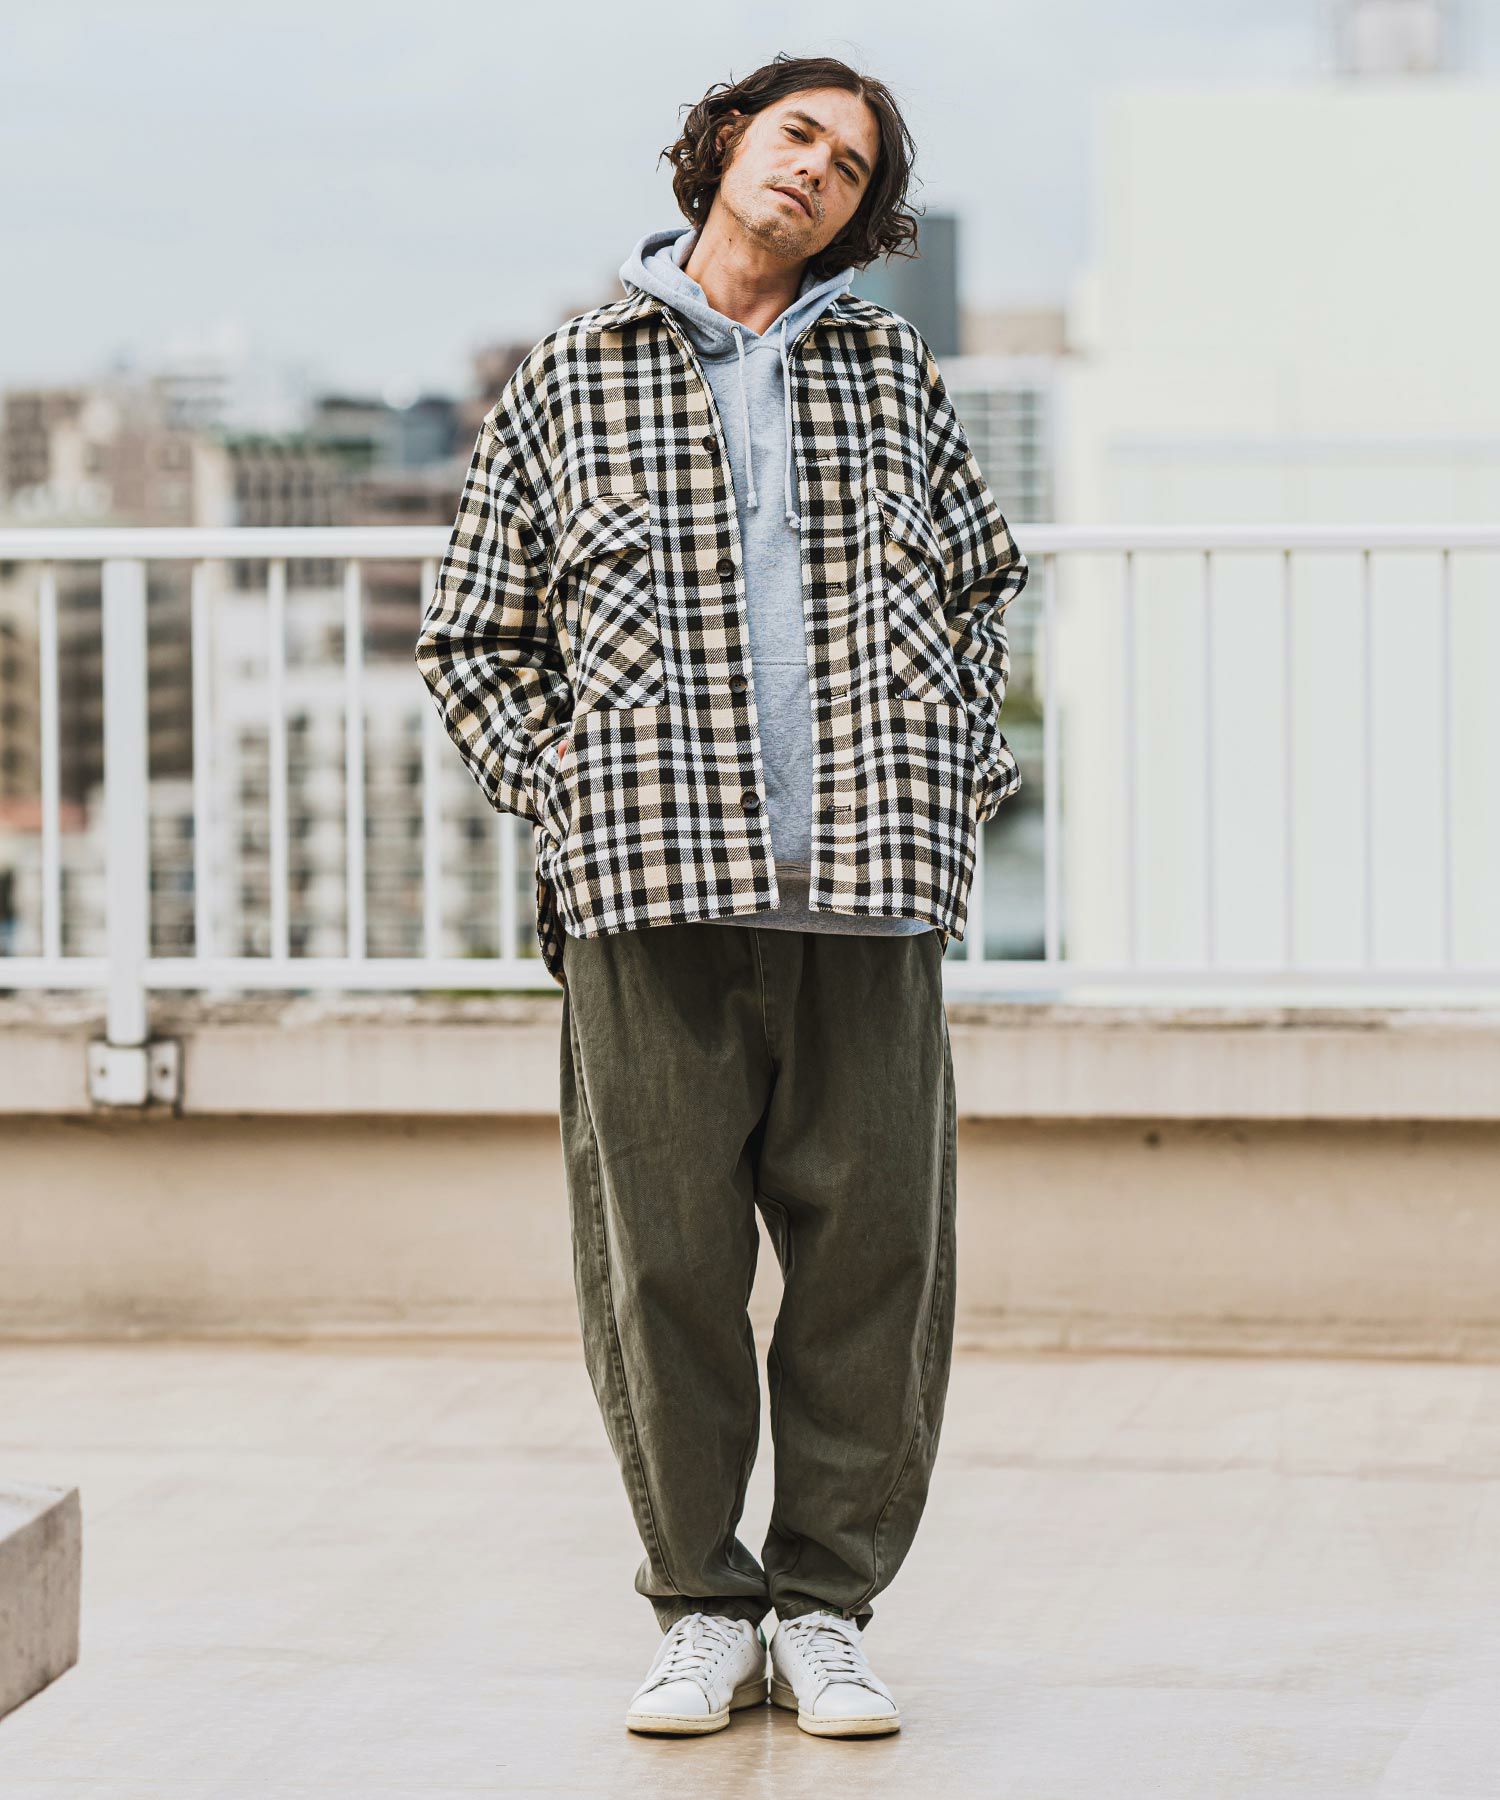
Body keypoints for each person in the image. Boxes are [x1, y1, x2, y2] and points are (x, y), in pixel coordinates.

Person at [416, 51, 1027, 1740]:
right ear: (726, 143)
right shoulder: (568, 375)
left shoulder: (890, 372)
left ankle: (825, 1609)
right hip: (648, 897)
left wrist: (948, 765)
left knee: (873, 1267)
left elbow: (984, 589)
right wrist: (572, 800)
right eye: (797, 134)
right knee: (664, 1271)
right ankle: (701, 1607)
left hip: (868, 896)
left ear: (860, 215)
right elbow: (473, 636)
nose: (817, 169)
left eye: (852, 165)